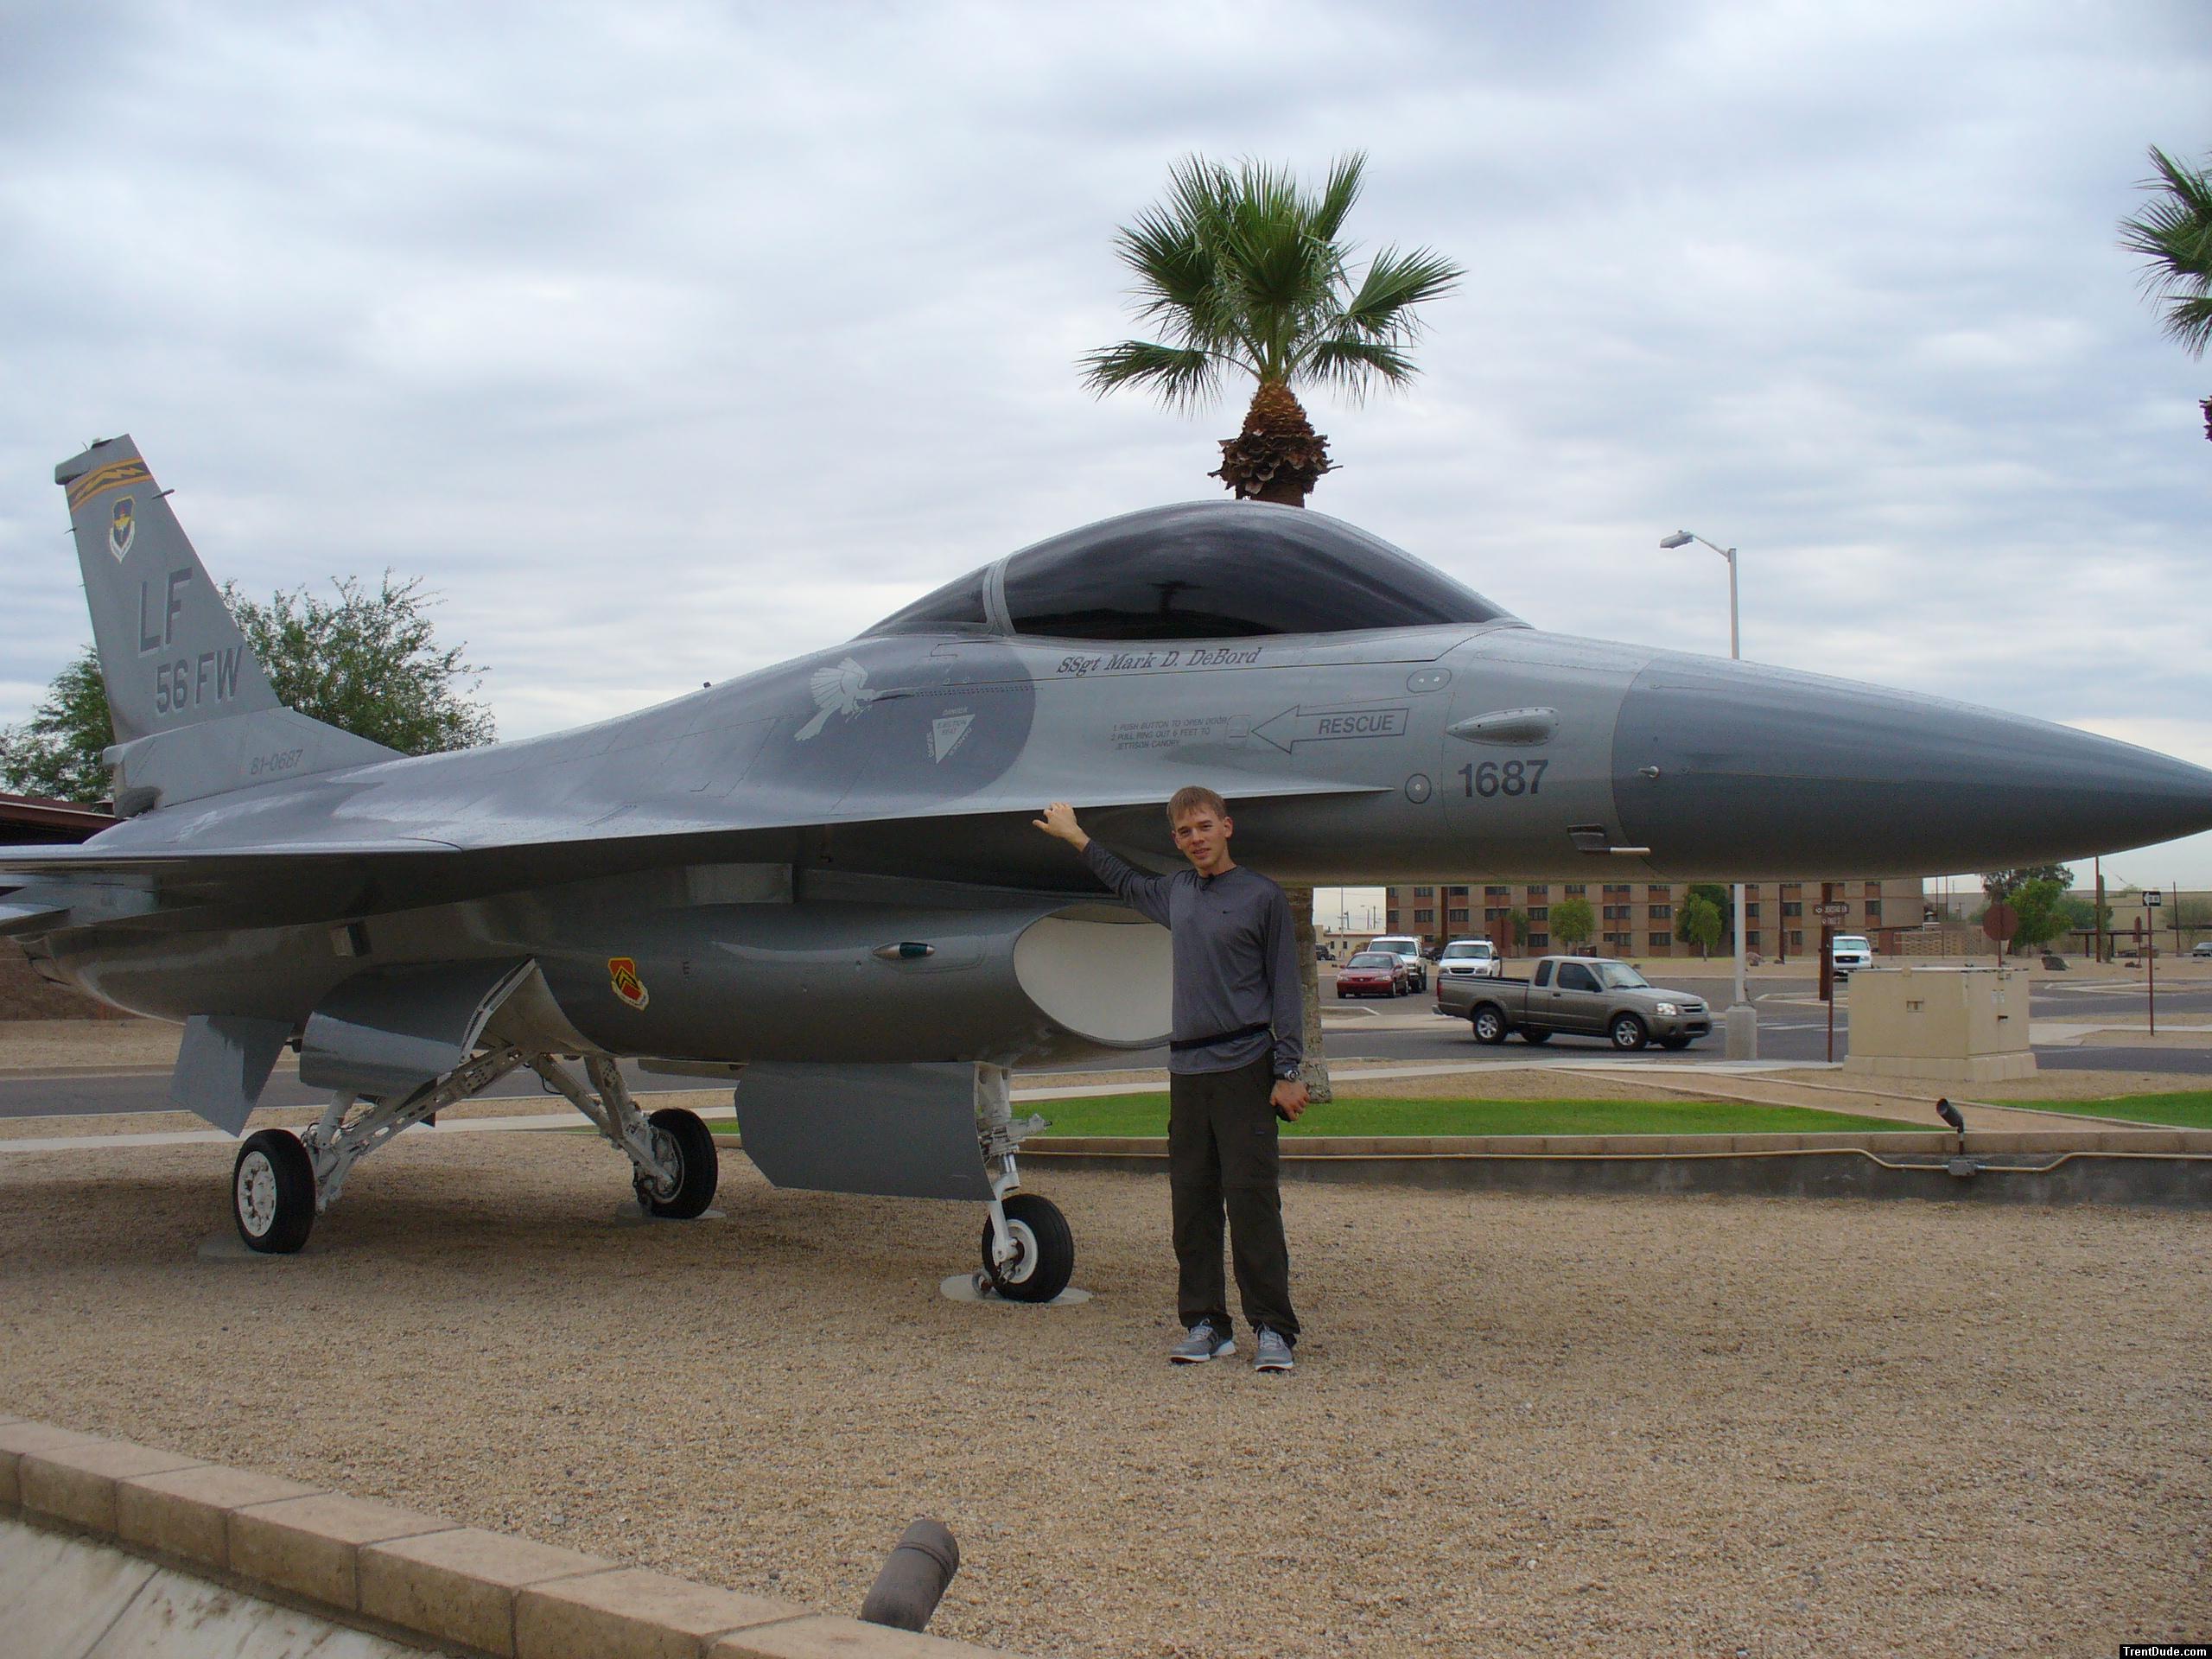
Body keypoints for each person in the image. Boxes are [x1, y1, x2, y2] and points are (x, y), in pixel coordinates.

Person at [1033, 787, 1307, 1371]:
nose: (1196, 840)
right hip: (1188, 1070)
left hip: (1245, 1068)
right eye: (1184, 833)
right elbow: (1124, 881)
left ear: (1226, 827)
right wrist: (1075, 835)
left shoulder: (1262, 897)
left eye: (1204, 827)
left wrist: (1288, 1070)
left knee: (1253, 1200)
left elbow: (1285, 990)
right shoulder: (1175, 894)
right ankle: (1207, 1323)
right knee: (1192, 1204)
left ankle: (1273, 1328)